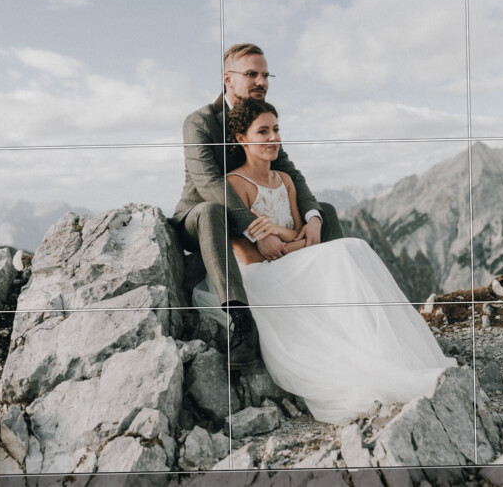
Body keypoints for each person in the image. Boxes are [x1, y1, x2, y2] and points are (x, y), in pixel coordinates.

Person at [191, 98, 457, 425]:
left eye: (276, 129)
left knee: (352, 248)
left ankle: (384, 352)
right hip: (260, 276)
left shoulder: (284, 180)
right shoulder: (234, 185)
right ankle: (375, 357)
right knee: (346, 252)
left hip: (289, 264)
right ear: (241, 139)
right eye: (263, 131)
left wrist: (279, 232)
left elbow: (295, 235)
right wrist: (292, 239)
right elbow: (253, 254)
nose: (273, 138)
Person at [172, 44, 343, 369]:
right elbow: (210, 183)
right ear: (228, 79)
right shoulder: (200, 122)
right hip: (201, 219)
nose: (261, 81)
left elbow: (290, 171)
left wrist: (314, 218)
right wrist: (256, 233)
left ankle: (331, 306)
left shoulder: (260, 120)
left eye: (266, 75)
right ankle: (242, 325)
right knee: (212, 211)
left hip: (256, 212)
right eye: (251, 74)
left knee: (327, 210)